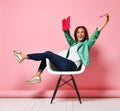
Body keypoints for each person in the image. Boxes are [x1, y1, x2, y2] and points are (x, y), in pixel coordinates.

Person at [13, 14, 109, 84]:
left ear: (85, 34)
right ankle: (37, 75)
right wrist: (66, 24)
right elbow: (67, 35)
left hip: (71, 66)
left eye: (82, 32)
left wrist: (105, 22)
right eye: (78, 32)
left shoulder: (86, 45)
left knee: (47, 53)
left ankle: (23, 56)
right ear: (76, 34)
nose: (80, 34)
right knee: (46, 57)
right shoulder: (73, 44)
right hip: (65, 64)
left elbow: (94, 36)